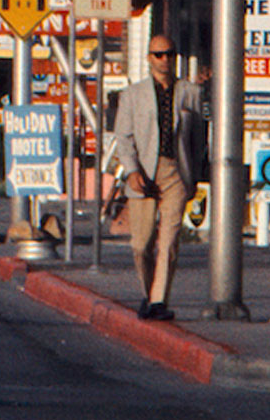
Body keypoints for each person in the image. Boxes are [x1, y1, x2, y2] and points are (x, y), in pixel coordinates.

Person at [107, 35, 206, 322]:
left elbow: (199, 137)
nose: (165, 60)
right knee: (141, 244)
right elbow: (123, 137)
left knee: (169, 241)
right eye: (159, 55)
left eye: (169, 54)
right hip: (143, 173)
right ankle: (149, 293)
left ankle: (160, 300)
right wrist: (132, 170)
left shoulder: (190, 93)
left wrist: (194, 174)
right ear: (149, 58)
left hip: (175, 171)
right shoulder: (133, 94)